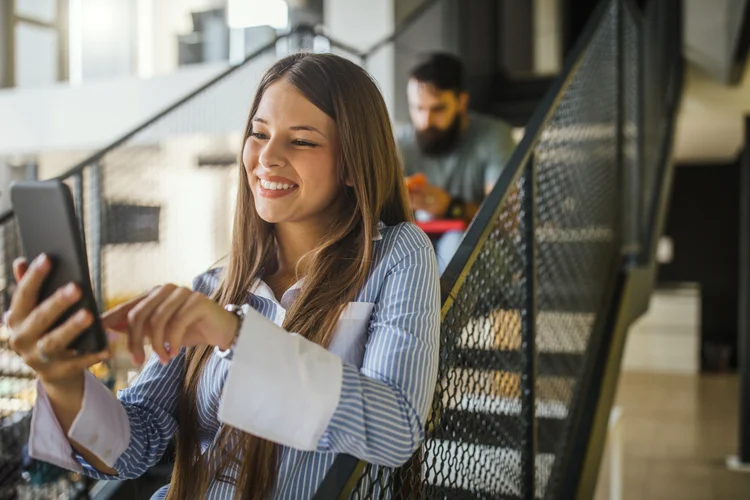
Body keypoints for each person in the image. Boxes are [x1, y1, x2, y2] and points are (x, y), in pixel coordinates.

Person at [6, 53, 440, 500]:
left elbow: (397, 430)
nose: (266, 157)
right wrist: (61, 379)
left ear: (352, 162)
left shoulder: (397, 254)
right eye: (259, 133)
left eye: (302, 142)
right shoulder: (214, 284)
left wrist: (235, 334)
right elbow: (135, 446)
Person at [397, 53, 516, 273]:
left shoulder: (493, 137)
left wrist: (450, 207)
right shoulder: (399, 144)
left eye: (438, 109)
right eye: (418, 108)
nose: (426, 121)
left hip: (480, 251)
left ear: (461, 101)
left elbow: (507, 218)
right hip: (419, 244)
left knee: (456, 241)